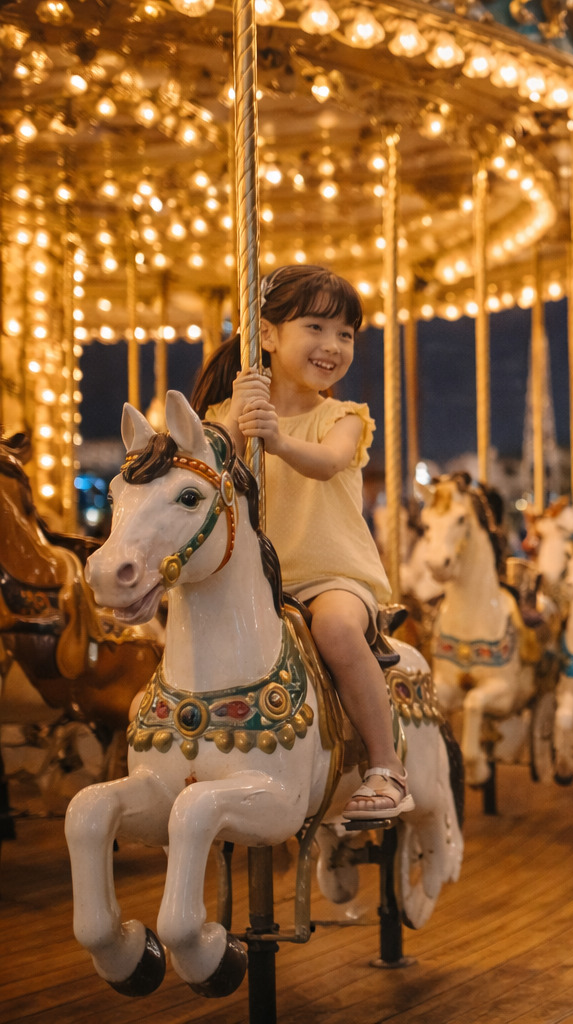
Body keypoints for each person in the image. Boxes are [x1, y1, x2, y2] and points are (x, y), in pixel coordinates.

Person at [191, 264, 411, 820]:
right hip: (251, 584)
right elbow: (208, 479)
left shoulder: (343, 417)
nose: (333, 345)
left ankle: (386, 766)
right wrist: (238, 419)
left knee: (334, 628)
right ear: (267, 335)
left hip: (331, 576)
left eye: (345, 334)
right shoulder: (222, 418)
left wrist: (278, 440)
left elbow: (328, 462)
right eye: (315, 327)